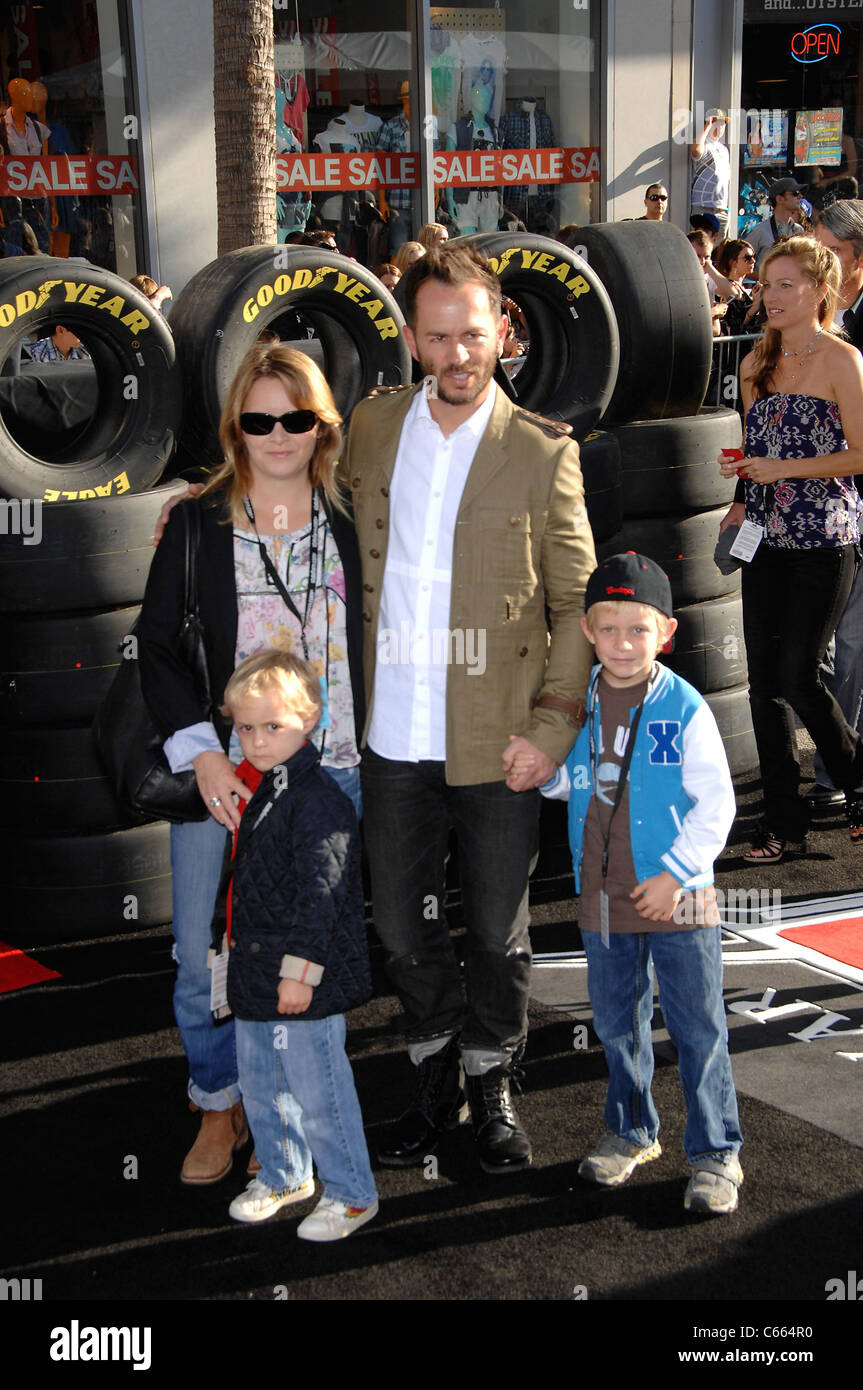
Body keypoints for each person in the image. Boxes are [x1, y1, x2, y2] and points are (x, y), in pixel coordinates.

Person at [345, 243, 597, 1175]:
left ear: (503, 333)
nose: (458, 355)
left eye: (474, 335)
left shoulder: (540, 451)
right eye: (439, 336)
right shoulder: (370, 430)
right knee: (404, 930)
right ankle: (435, 1067)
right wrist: (197, 503)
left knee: (496, 929)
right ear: (413, 338)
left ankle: (491, 1078)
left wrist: (550, 728)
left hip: (500, 739)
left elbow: (575, 603)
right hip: (389, 734)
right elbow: (287, 496)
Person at [139, 345, 364, 1184]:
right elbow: (158, 649)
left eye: (296, 418)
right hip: (224, 780)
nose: (279, 435)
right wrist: (199, 755)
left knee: (309, 952)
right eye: (260, 419)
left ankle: (295, 1113)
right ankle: (218, 1103)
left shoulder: (353, 514)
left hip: (333, 771)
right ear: (237, 427)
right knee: (204, 956)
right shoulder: (197, 522)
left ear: (321, 426)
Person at [537, 553, 742, 1215]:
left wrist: (675, 875)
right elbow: (573, 783)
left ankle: (716, 1154)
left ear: (666, 634)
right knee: (617, 1024)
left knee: (697, 1029)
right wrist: (535, 771)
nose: (622, 644)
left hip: (680, 899)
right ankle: (630, 1130)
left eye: (638, 629)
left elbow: (717, 806)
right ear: (586, 632)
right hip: (601, 898)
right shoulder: (580, 706)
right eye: (608, 629)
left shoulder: (683, 707)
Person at [219, 649, 378, 1239]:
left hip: (300, 977)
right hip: (256, 974)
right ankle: (286, 1173)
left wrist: (300, 972)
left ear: (310, 719)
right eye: (244, 728)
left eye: (272, 726)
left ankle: (353, 1193)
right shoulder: (266, 788)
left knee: (320, 1091)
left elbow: (324, 894)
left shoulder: (319, 801)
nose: (256, 741)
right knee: (262, 1084)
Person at [718, 236, 863, 860]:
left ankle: (856, 784)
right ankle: (783, 822)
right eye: (767, 284)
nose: (769, 296)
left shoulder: (843, 361)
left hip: (826, 539)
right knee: (761, 686)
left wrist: (787, 470)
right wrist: (744, 489)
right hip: (767, 538)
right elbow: (758, 456)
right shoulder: (754, 364)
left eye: (785, 285)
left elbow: (861, 454)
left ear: (818, 291)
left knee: (800, 674)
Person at [807, 201, 863, 810]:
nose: (820, 268)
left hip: (855, 507)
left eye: (833, 257)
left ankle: (834, 775)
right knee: (816, 648)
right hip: (812, 517)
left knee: (849, 645)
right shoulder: (797, 320)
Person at [746, 178, 805, 272]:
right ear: (779, 199)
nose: (800, 196)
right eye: (795, 193)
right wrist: (765, 280)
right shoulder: (759, 231)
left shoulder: (799, 231)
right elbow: (741, 265)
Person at [689, 108, 731, 241]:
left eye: (723, 124)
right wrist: (707, 126)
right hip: (703, 204)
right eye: (716, 123)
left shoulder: (724, 149)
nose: (720, 127)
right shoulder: (704, 143)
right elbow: (695, 150)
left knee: (720, 248)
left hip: (722, 207)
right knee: (701, 244)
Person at [712, 239, 765, 336]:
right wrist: (756, 305)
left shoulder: (741, 287)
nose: (753, 261)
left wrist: (755, 300)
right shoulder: (728, 287)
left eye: (754, 256)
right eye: (748, 257)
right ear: (733, 262)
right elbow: (738, 323)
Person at [25, 324, 90, 362]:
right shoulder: (34, 355)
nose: (84, 334)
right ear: (60, 330)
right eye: (80, 330)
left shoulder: (88, 352)